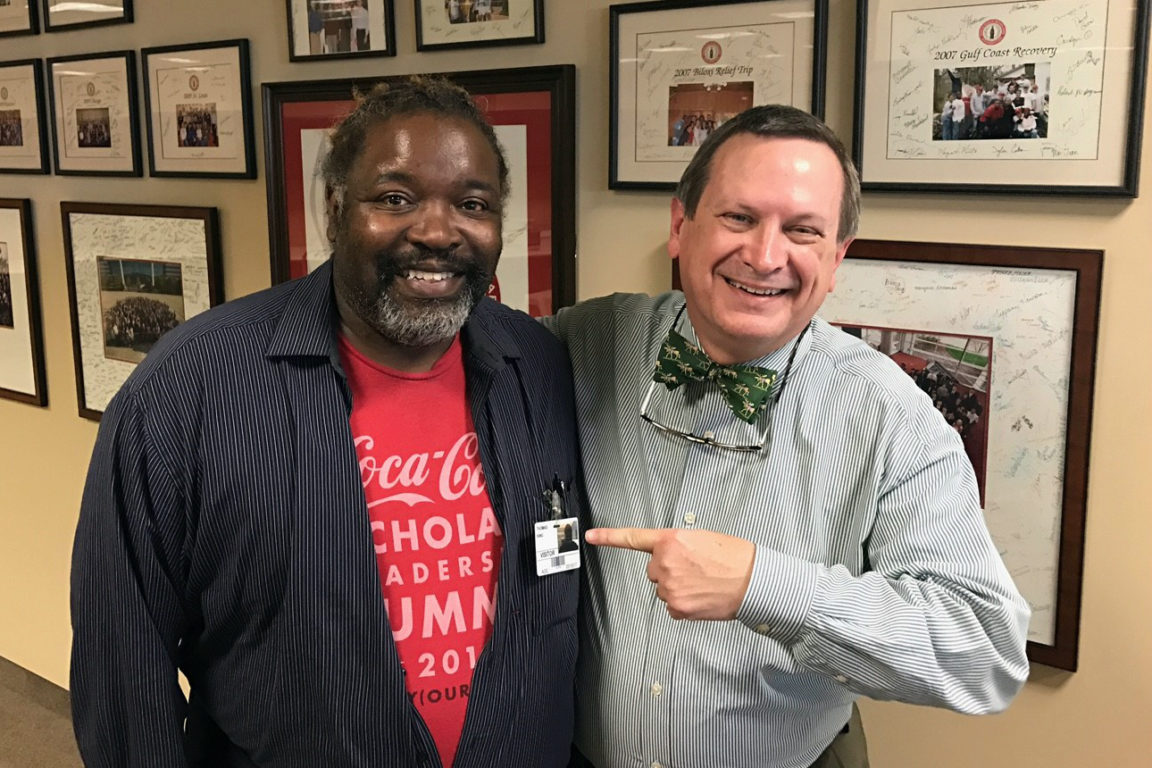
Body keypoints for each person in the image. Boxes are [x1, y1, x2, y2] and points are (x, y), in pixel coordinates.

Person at [70, 77, 583, 768]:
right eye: (395, 198)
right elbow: (122, 666)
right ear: (336, 210)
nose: (437, 231)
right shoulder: (191, 388)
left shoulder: (540, 369)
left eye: (472, 204)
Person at [548, 104, 1030, 768]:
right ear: (679, 226)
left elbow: (986, 652)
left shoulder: (890, 416)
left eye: (802, 231)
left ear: (835, 260)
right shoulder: (581, 343)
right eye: (738, 218)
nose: (765, 255)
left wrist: (764, 586)